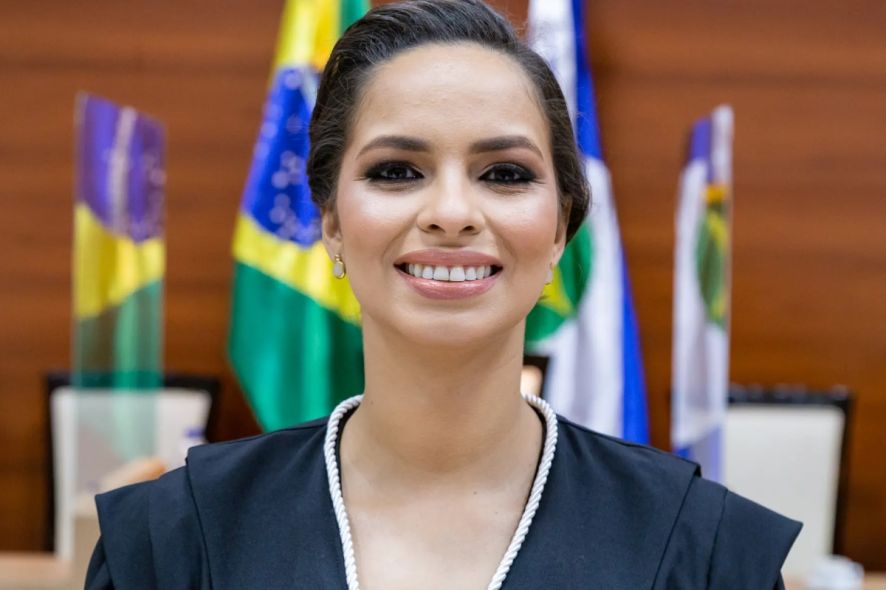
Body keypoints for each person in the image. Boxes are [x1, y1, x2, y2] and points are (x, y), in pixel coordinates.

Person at [85, 1, 801, 588]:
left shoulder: (706, 553)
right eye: (397, 171)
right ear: (330, 224)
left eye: (505, 174)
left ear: (560, 231)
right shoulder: (169, 545)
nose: (452, 213)